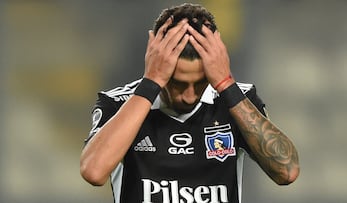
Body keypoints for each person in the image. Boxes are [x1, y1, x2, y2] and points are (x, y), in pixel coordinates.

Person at [80, 3, 300, 203]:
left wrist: (225, 84)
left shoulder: (237, 100)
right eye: (178, 83)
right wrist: (151, 83)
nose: (189, 95)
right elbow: (93, 172)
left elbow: (287, 171)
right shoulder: (119, 102)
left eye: (201, 82)